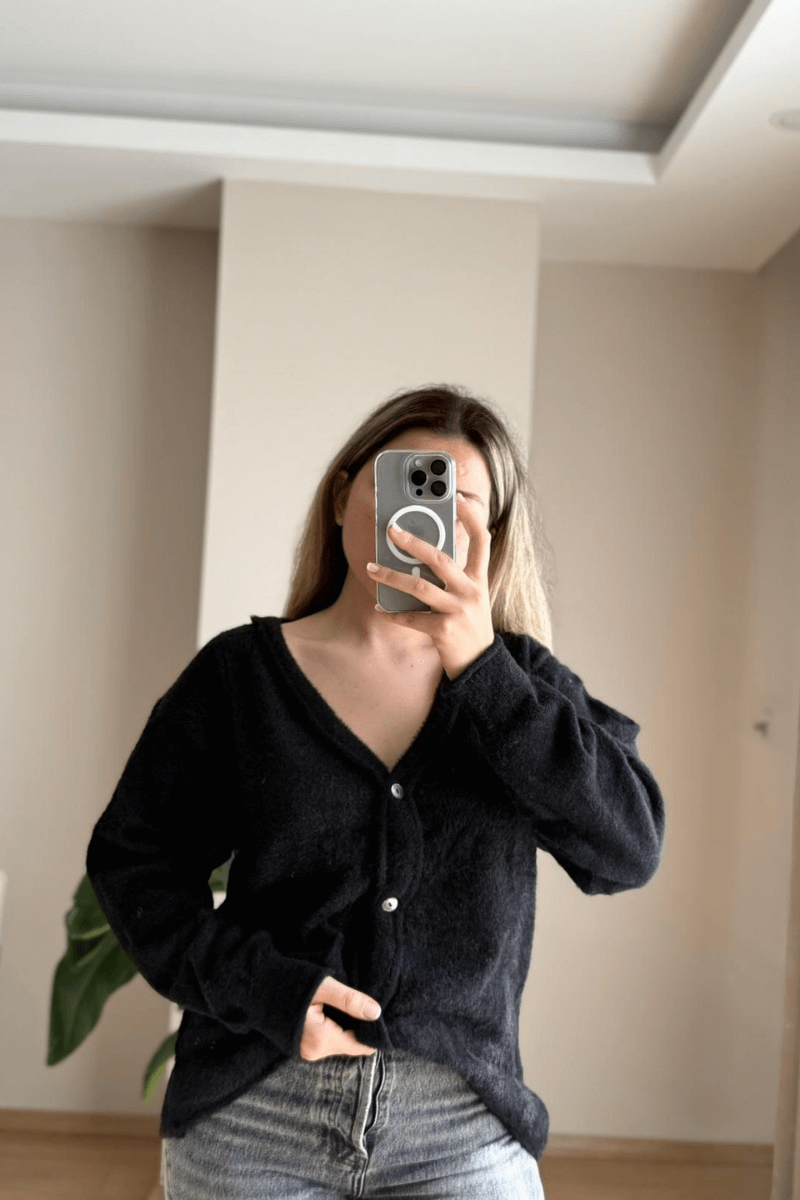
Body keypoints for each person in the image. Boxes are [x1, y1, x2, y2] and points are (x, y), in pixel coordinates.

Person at [86, 383, 666, 1199]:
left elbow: (628, 848)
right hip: (255, 1120)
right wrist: (265, 990)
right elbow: (134, 864)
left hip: (459, 1131)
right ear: (340, 500)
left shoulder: (524, 689)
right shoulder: (240, 679)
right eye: (406, 484)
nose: (423, 518)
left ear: (491, 537)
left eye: (459, 503)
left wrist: (483, 671)